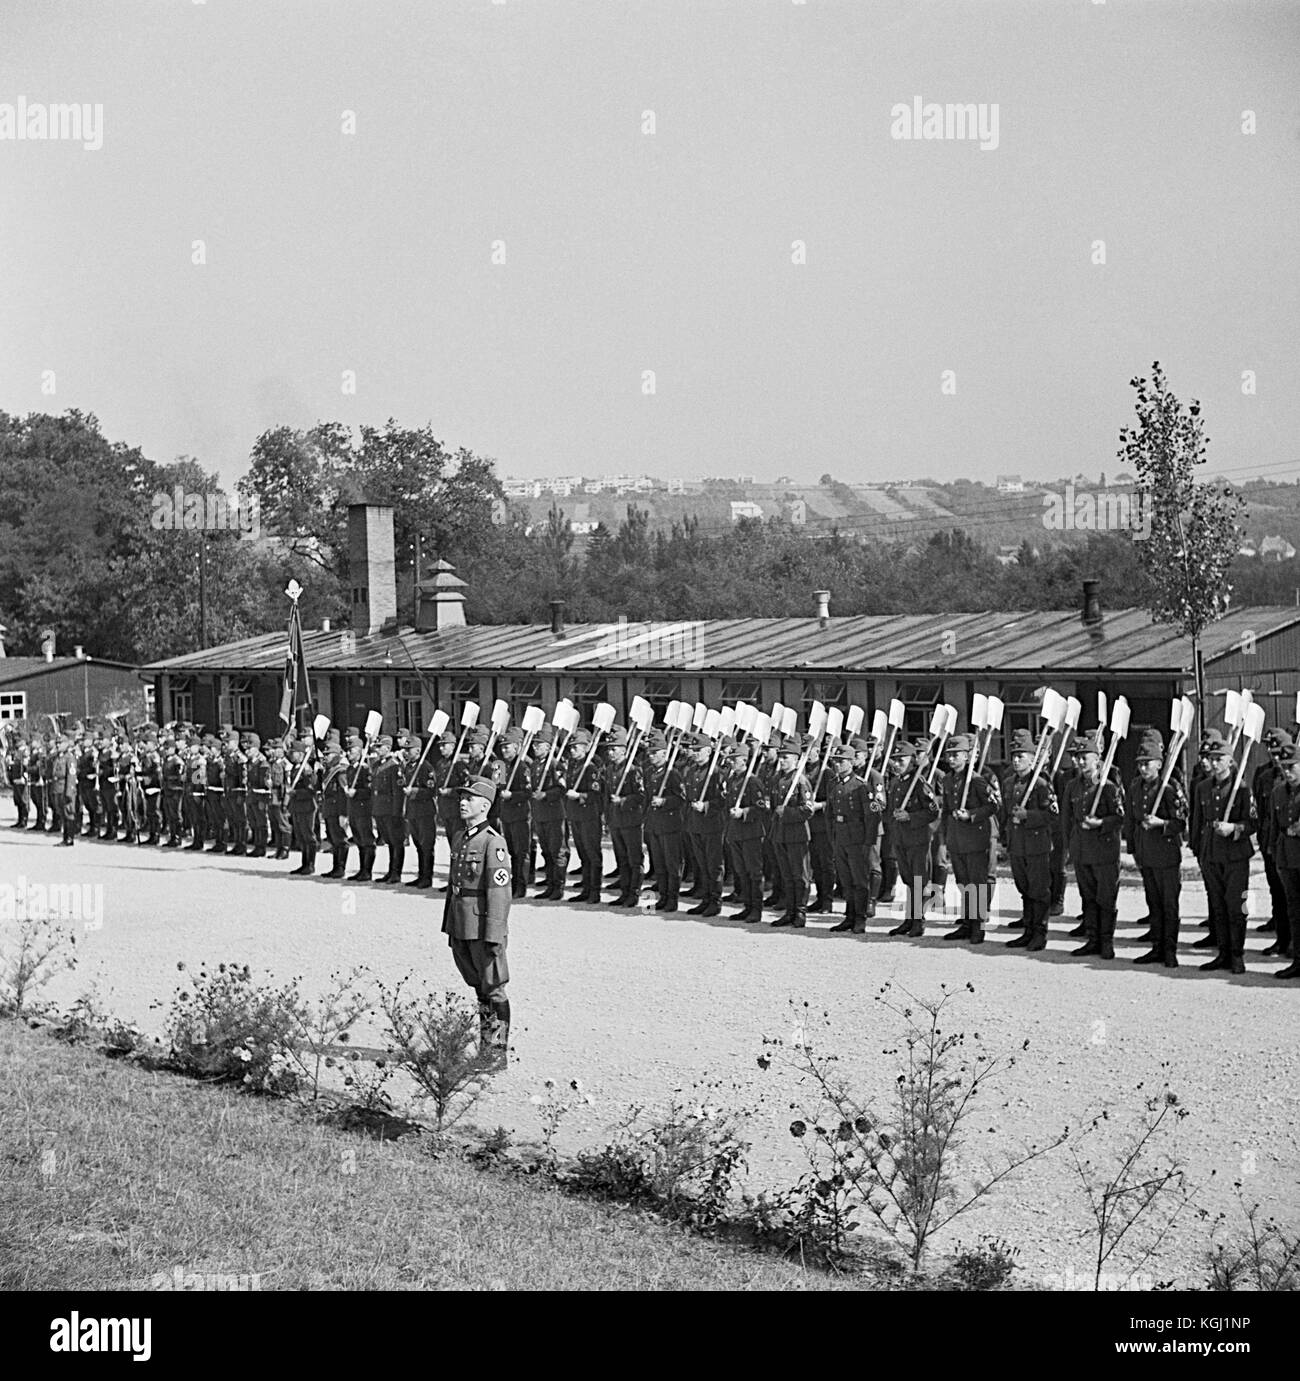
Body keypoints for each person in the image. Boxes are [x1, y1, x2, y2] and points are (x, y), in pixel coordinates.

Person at [442, 777, 513, 1071]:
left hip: (483, 926)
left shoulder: (493, 842)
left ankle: (496, 1053)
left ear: (484, 805)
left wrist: (495, 932)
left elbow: (499, 891)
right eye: (462, 797)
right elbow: (453, 885)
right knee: (479, 989)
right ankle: (485, 1049)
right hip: (461, 924)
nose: (462, 802)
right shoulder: (460, 837)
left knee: (493, 988)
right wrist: (449, 924)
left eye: (469, 798)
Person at [1194, 728, 1257, 975]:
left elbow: (1253, 823)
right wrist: (1199, 851)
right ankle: (1222, 953)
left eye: (1219, 758)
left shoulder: (1242, 789)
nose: (1213, 763)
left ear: (1230, 760)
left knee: (1237, 905)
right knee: (1217, 905)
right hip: (1211, 852)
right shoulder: (1203, 787)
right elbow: (1198, 822)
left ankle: (1237, 954)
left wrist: (1234, 828)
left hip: (1235, 854)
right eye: (1211, 758)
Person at [1126, 728, 1186, 968]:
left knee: (1169, 904)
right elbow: (1131, 820)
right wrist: (1133, 849)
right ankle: (1156, 947)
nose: (1143, 768)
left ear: (1160, 764)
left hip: (1167, 854)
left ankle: (1170, 950)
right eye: (1140, 764)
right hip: (1146, 853)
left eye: (1148, 763)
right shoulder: (1135, 787)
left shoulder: (1170, 787)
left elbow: (1182, 822)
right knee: (1154, 903)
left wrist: (1162, 823)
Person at [1065, 733, 1125, 961]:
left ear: (1097, 760)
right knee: (1087, 897)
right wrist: (1069, 847)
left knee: (1106, 898)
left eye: (1085, 757)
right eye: (1078, 758)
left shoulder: (1108, 787)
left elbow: (1120, 818)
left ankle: (1106, 941)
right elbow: (1067, 820)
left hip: (1105, 852)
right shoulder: (1072, 787)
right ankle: (1092, 939)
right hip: (1082, 851)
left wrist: (1100, 823)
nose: (1081, 762)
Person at [1001, 727, 1059, 952]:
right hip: (1018, 845)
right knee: (1024, 888)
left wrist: (1029, 816)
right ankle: (1028, 930)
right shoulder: (1008, 783)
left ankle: (1040, 933)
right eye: (1014, 756)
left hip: (1037, 845)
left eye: (1021, 756)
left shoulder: (1042, 784)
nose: (1016, 761)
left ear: (1033, 759)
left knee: (1039, 890)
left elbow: (1053, 816)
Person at [940, 732, 1000, 944]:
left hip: (976, 838)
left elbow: (993, 806)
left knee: (978, 882)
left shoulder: (977, 780)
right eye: (950, 754)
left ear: (968, 756)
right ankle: (967, 922)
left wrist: (971, 815)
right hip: (957, 839)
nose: (952, 758)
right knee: (963, 882)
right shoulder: (948, 779)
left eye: (957, 754)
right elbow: (946, 810)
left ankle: (979, 925)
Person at [826, 745, 885, 934]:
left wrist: (868, 843)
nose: (837, 764)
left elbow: (871, 817)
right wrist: (832, 837)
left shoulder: (861, 785)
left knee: (860, 880)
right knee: (845, 879)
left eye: (841, 761)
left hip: (857, 838)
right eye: (835, 760)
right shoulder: (833, 784)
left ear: (851, 763)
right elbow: (830, 814)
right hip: (840, 837)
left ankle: (860, 918)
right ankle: (849, 916)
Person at [887, 739, 939, 937]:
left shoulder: (920, 783)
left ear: (912, 760)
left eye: (902, 760)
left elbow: (933, 811)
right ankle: (909, 919)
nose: (897, 764)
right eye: (895, 760)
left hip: (917, 839)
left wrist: (911, 816)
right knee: (907, 879)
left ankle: (919, 921)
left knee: (919, 880)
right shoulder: (895, 782)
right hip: (900, 838)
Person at [769, 736, 813, 929]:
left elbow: (808, 809)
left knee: (799, 876)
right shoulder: (778, 779)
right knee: (787, 875)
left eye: (786, 757)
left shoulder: (801, 781)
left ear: (796, 759)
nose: (782, 760)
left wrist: (786, 812)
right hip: (780, 834)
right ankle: (790, 910)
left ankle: (800, 912)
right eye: (781, 757)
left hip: (797, 834)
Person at [682, 734, 726, 917]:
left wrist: (706, 805)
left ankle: (715, 901)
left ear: (708, 751)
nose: (695, 753)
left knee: (714, 864)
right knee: (702, 864)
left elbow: (723, 799)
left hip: (712, 824)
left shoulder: (717, 772)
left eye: (699, 750)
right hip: (695, 824)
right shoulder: (691, 770)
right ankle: (706, 898)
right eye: (694, 750)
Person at [726, 743, 770, 922]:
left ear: (744, 760)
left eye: (734, 759)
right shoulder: (732, 780)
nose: (731, 763)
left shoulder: (752, 781)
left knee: (754, 871)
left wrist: (744, 812)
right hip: (735, 832)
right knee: (741, 871)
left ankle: (756, 909)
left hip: (751, 832)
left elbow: (762, 808)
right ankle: (747, 905)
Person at [643, 729, 685, 912]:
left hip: (670, 825)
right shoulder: (649, 772)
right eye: (650, 753)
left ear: (664, 753)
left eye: (655, 753)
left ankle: (672, 899)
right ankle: (662, 896)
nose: (651, 756)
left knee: (671, 864)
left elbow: (681, 799)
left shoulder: (673, 774)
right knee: (659, 864)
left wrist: (665, 801)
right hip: (654, 824)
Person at [561, 729, 604, 904]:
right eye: (571, 747)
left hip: (589, 816)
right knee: (583, 854)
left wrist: (579, 796)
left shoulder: (591, 767)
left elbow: (596, 794)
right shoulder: (573, 765)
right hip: (576, 816)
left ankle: (595, 890)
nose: (572, 751)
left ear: (586, 748)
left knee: (592, 853)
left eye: (576, 747)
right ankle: (586, 888)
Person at [1272, 741, 1300, 979]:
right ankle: (1298, 960)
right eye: (1284, 766)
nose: (1287, 771)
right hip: (1288, 859)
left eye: (1292, 765)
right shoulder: (1278, 791)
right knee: (1294, 910)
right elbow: (1273, 826)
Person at [497, 727, 535, 901]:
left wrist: (512, 795)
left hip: (520, 814)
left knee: (522, 851)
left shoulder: (523, 766)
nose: (505, 750)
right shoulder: (501, 766)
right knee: (511, 851)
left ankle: (521, 885)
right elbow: (499, 786)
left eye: (508, 747)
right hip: (506, 815)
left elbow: (528, 792)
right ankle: (512, 883)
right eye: (503, 747)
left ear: (517, 747)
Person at [403, 734, 439, 889]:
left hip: (425, 811)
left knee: (426, 845)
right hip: (413, 811)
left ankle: (427, 877)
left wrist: (414, 791)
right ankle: (421, 874)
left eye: (409, 749)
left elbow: (431, 790)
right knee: (418, 845)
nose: (406, 752)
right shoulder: (408, 766)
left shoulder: (425, 767)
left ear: (417, 751)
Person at [372, 734, 408, 883]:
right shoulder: (377, 765)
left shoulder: (394, 766)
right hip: (380, 807)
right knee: (388, 841)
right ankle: (390, 871)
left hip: (390, 808)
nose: (377, 750)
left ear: (387, 748)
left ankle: (396, 872)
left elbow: (397, 792)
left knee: (396, 841)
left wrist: (396, 812)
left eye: (380, 747)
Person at [287, 741, 321, 874]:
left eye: (293, 753)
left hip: (307, 806)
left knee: (308, 836)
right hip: (297, 806)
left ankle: (310, 864)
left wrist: (296, 793)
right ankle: (304, 863)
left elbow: (311, 790)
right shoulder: (296, 768)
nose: (291, 755)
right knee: (300, 836)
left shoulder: (307, 770)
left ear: (301, 754)